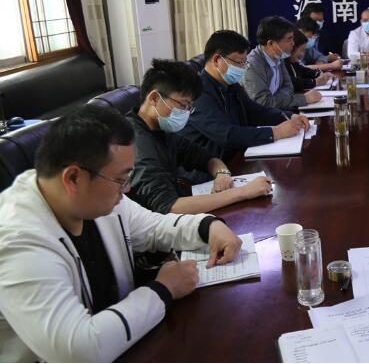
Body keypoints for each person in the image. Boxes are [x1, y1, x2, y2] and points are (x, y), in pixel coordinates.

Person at [0, 104, 244, 361]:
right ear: (72, 178)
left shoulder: (91, 197)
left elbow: (154, 227)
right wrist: (164, 289)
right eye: (121, 179)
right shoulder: (17, 242)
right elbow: (79, 351)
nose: (127, 189)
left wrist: (209, 226)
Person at [128, 59, 272, 215]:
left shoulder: (159, 128)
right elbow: (170, 207)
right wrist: (243, 192)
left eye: (189, 107)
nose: (185, 112)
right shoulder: (135, 142)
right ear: (154, 98)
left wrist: (222, 173)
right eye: (182, 105)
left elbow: (205, 157)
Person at [180, 30, 309, 160]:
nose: (243, 67)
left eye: (245, 62)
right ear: (217, 60)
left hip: (237, 154)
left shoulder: (230, 85)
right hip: (213, 164)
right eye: (239, 62)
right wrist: (276, 132)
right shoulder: (197, 93)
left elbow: (255, 111)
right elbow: (226, 135)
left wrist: (288, 116)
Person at [243, 16, 322, 109]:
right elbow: (264, 103)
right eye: (289, 39)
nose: (293, 43)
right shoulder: (253, 66)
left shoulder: (278, 56)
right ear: (271, 44)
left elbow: (289, 87)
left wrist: (276, 98)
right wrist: (303, 98)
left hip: (279, 111)